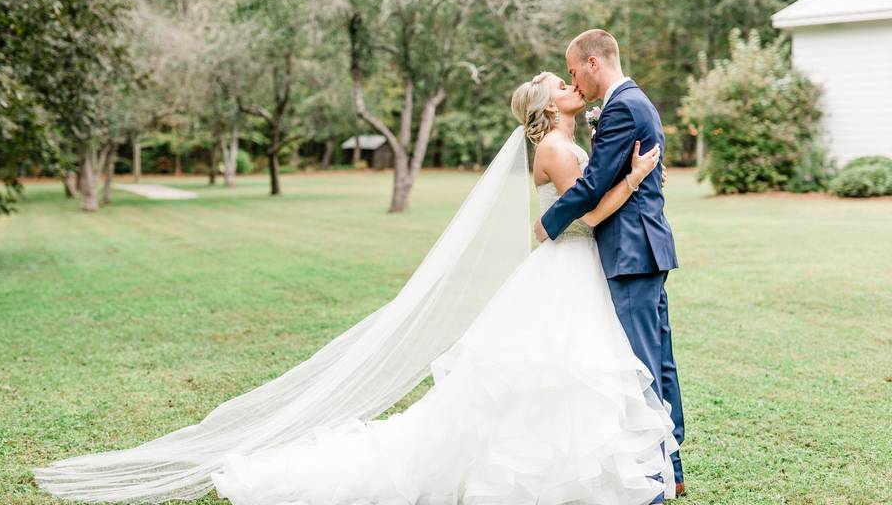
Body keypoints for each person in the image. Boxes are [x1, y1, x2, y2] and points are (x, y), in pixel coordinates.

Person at [35, 69, 679, 505]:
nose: (572, 88)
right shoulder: (562, 152)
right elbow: (580, 216)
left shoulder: (566, 145)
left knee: (558, 377)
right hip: (566, 273)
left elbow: (557, 221)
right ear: (547, 109)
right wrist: (637, 175)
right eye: (559, 86)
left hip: (565, 273)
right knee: (563, 374)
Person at [534, 29, 686, 499]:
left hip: (629, 250)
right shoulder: (638, 102)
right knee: (657, 363)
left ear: (593, 63)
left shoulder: (621, 106)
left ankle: (653, 481)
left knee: (638, 366)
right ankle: (671, 468)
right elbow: (618, 175)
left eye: (574, 70)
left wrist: (547, 223)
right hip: (645, 248)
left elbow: (595, 180)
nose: (575, 81)